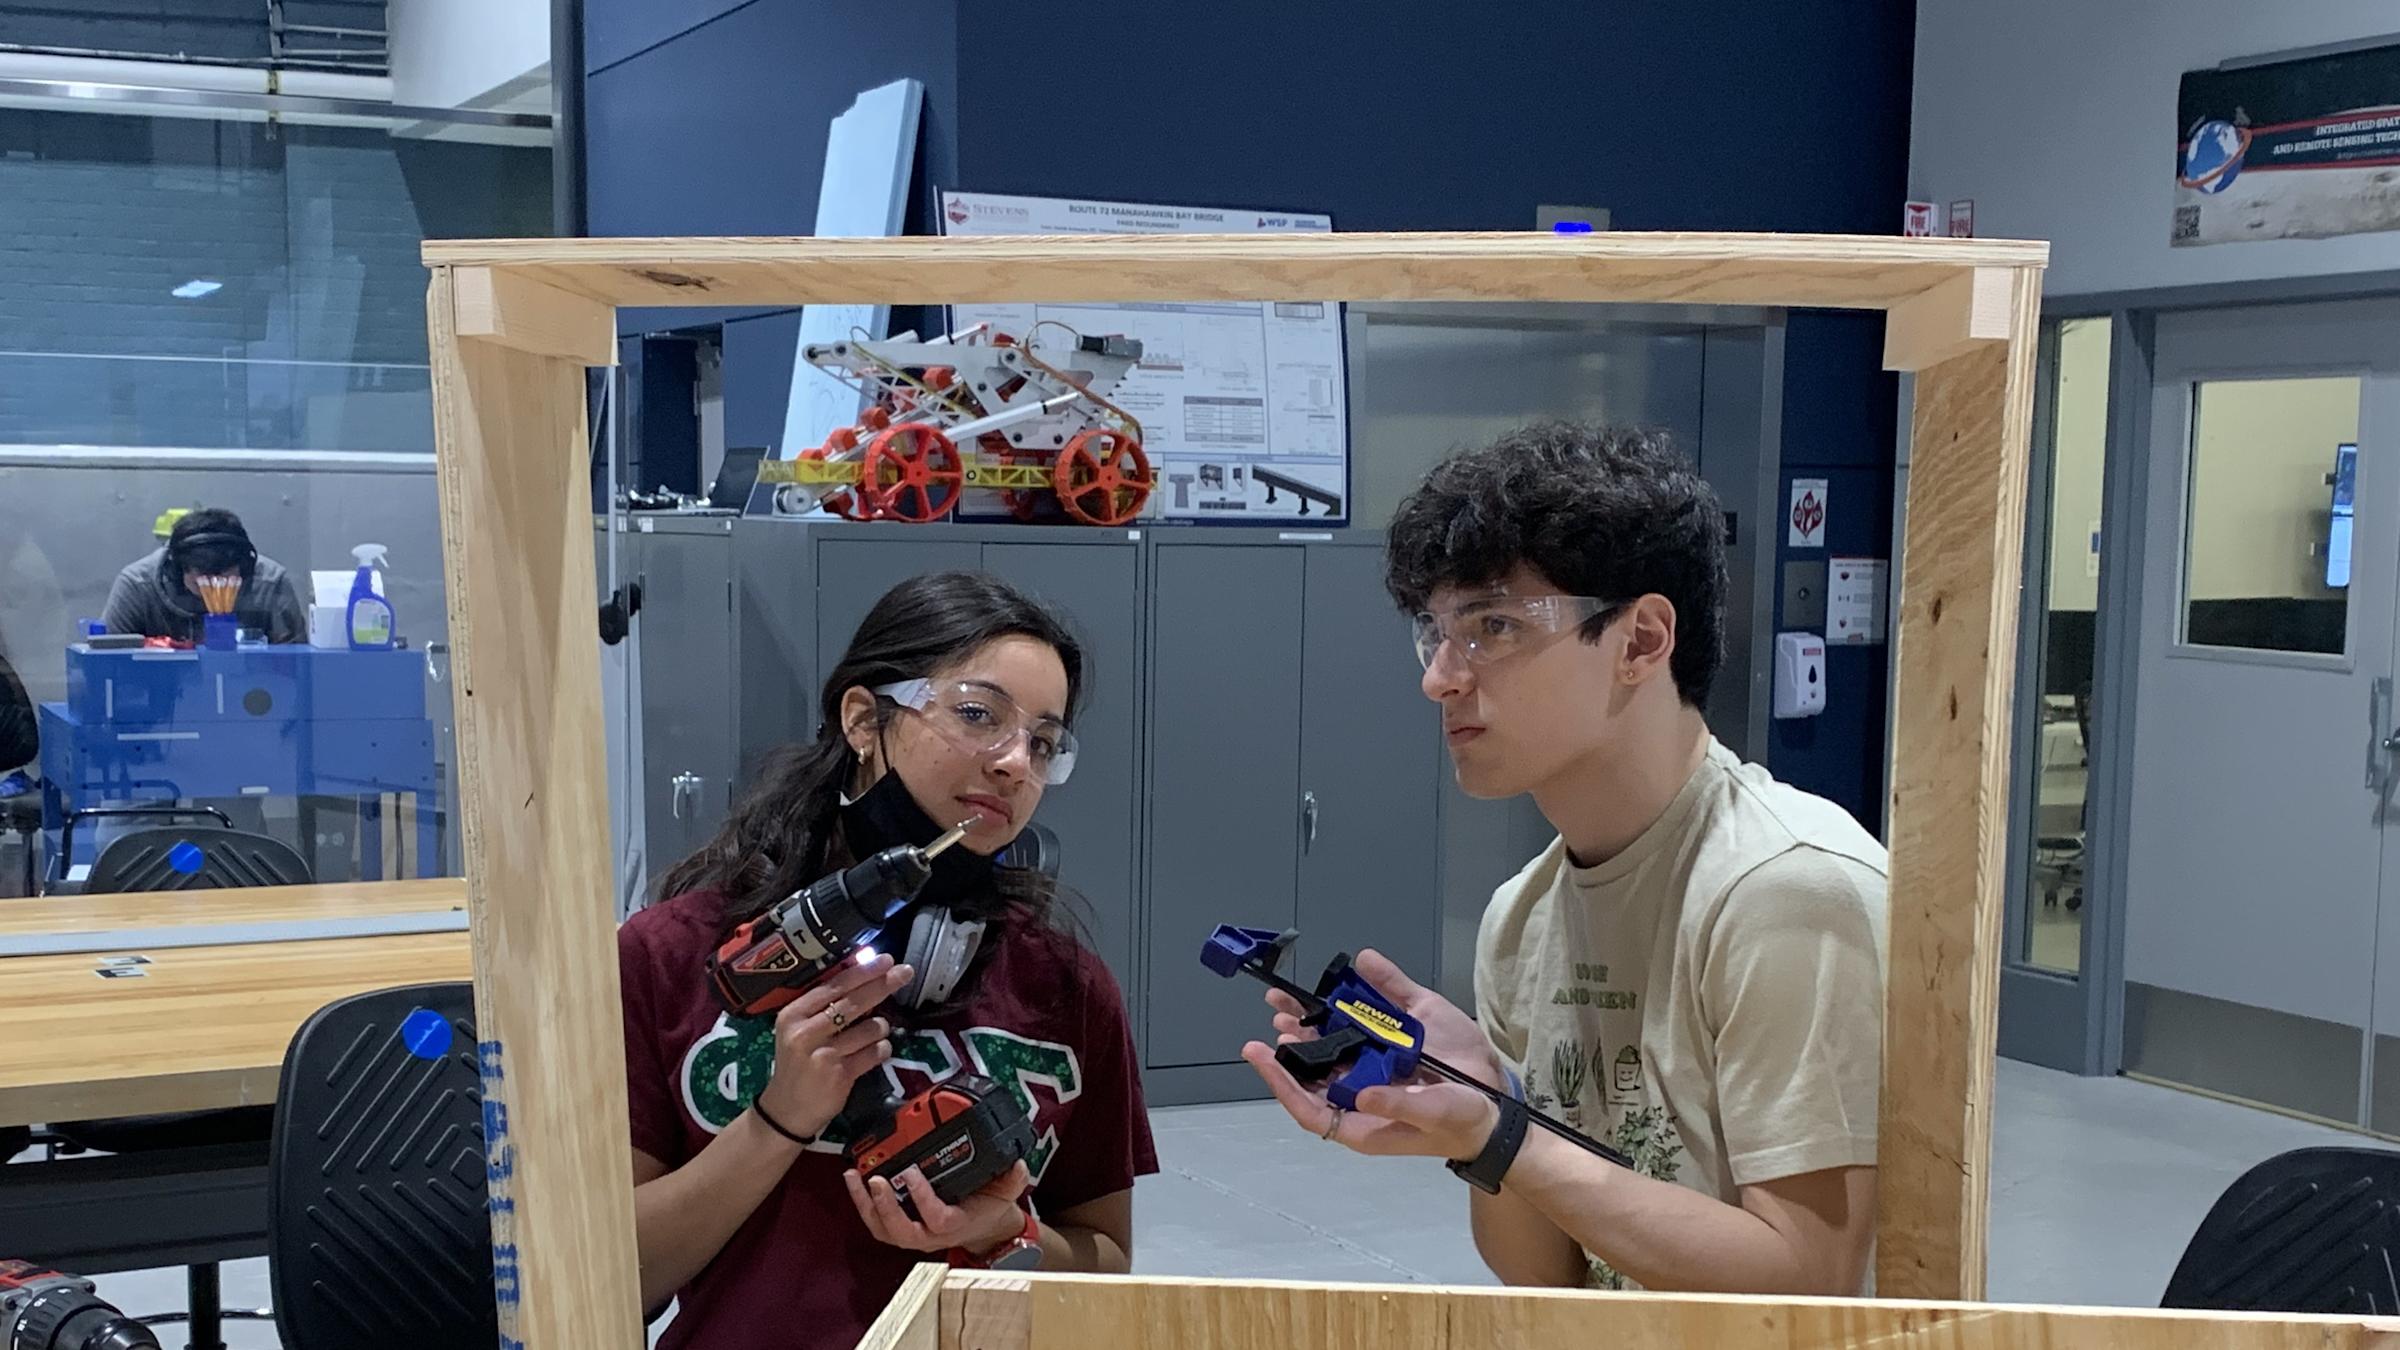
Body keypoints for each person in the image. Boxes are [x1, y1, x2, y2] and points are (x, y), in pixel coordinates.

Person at [1242, 422, 1890, 1296]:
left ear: (1641, 641)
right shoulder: (1522, 916)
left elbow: (1803, 1285)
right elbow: (1543, 1274)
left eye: (1494, 626)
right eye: (1435, 633)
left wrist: (1507, 1137)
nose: (1440, 677)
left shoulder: (1786, 892)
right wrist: (1489, 1101)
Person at [619, 571, 1154, 1349]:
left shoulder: (1067, 989)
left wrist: (1004, 1232)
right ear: (864, 720)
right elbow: (617, 1279)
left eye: (1042, 742)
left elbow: (1106, 1266)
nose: (1015, 763)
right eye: (978, 714)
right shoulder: (666, 956)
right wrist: (778, 1120)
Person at [102, 507, 306, 644]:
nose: (213, 587)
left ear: (244, 566)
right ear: (177, 570)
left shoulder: (271, 583)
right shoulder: (137, 585)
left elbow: (295, 665)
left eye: (223, 575)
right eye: (202, 577)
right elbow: (107, 661)